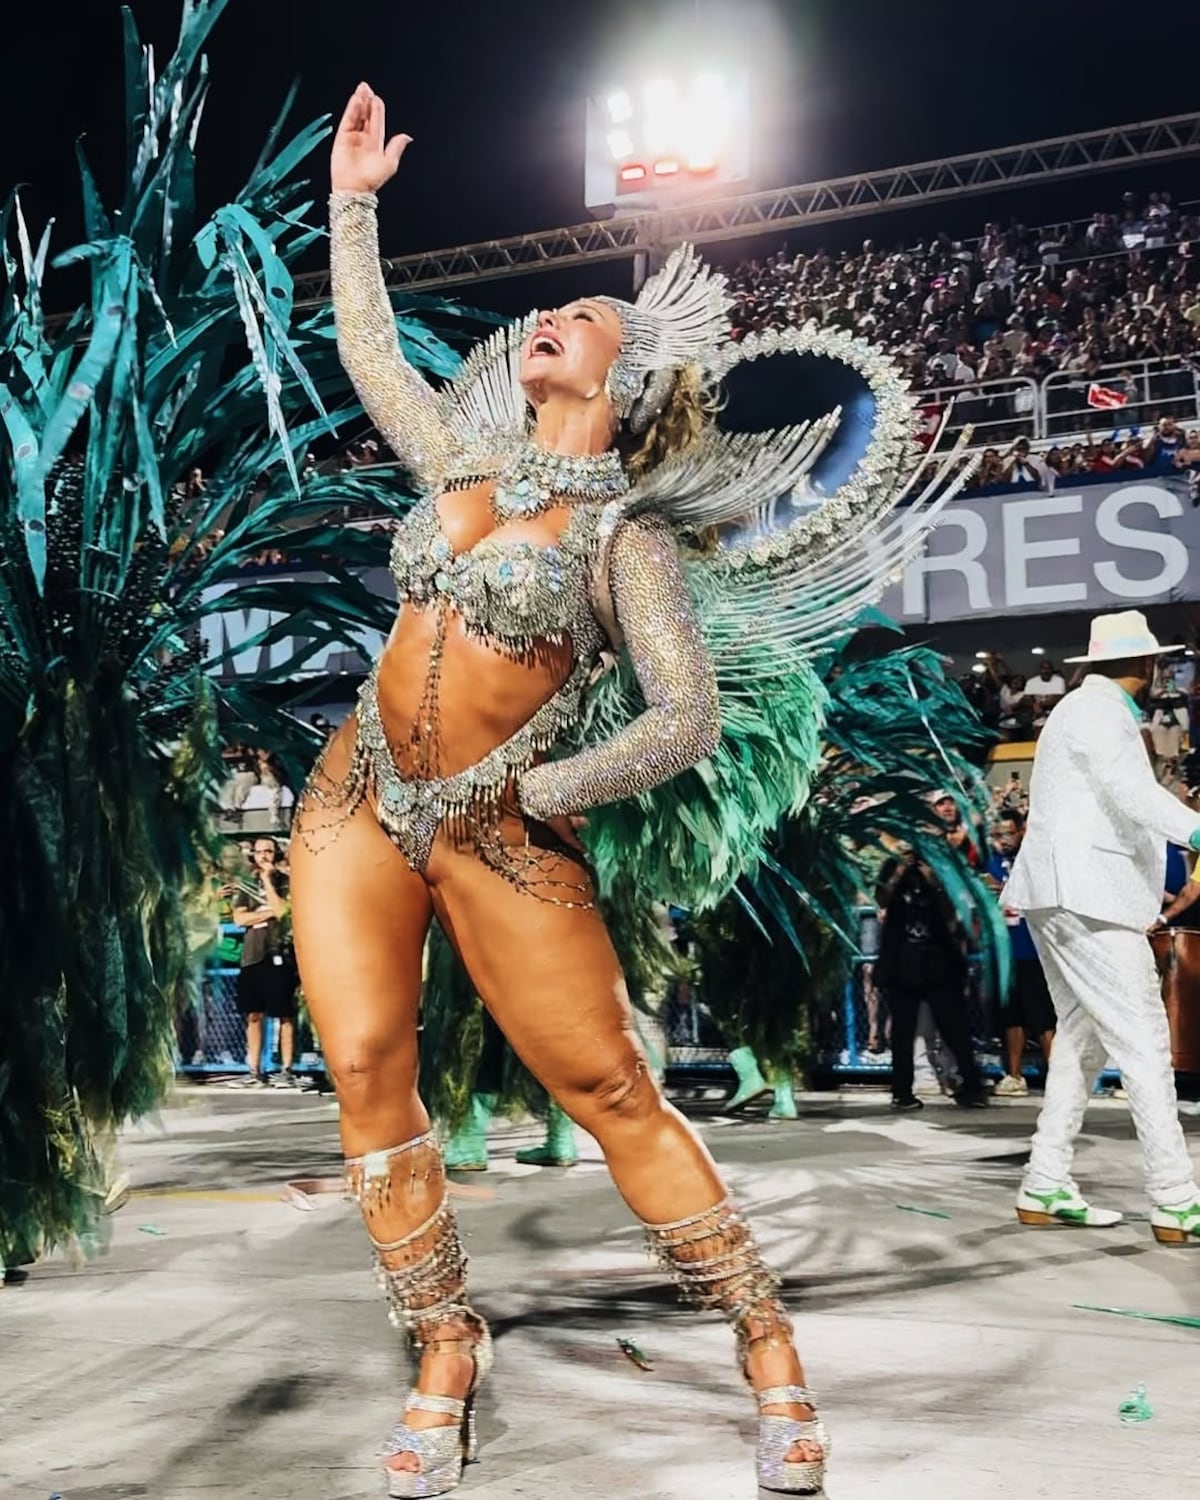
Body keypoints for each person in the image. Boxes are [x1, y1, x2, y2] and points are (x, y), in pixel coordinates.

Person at [288, 79, 964, 1498]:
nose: (550, 315)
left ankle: (766, 1345)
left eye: (586, 315)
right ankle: (443, 1343)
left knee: (607, 1085)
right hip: (357, 798)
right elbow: (365, 349)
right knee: (362, 1067)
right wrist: (353, 207)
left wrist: (547, 782)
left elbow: (686, 716)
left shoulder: (626, 547)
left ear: (632, 379)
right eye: (553, 309)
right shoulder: (457, 458)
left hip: (500, 827)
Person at [1003, 611, 1200, 1242]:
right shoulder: (1101, 713)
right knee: (1144, 1041)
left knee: (1083, 1040)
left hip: (1063, 894)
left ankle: (1044, 1180)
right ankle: (1175, 1197)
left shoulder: (1079, 709)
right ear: (1147, 663)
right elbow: (1132, 795)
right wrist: (1197, 829)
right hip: (1090, 896)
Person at [874, 849, 988, 1111]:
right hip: (902, 964)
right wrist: (898, 873)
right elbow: (881, 899)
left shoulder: (939, 867)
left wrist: (934, 881)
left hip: (938, 962)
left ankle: (972, 1087)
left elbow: (951, 912)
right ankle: (902, 1091)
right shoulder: (893, 865)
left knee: (955, 1028)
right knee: (903, 1032)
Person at [984, 810, 1055, 1096]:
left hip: (1033, 950)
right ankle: (1014, 1075)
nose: (1003, 840)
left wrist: (1003, 888)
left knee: (1043, 1018)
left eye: (1008, 833)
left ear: (1022, 831)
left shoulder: (1035, 860)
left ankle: (1057, 1076)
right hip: (1005, 951)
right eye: (998, 835)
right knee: (1012, 1017)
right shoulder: (992, 861)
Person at [230, 838, 302, 1089]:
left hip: (279, 953)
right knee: (253, 1015)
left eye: (268, 851)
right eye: (258, 852)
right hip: (252, 955)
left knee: (284, 1014)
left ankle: (286, 1069)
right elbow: (239, 919)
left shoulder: (286, 881)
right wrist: (269, 913)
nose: (263, 856)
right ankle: (254, 1070)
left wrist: (269, 882)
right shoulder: (247, 884)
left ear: (276, 853)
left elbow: (283, 910)